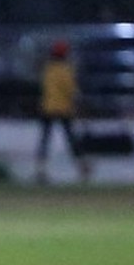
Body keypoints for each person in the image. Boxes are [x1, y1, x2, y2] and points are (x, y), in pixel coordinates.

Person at [36, 39, 90, 184]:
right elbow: (71, 90)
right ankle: (82, 167)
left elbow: (44, 87)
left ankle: (40, 169)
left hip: (48, 107)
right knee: (71, 139)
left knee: (45, 139)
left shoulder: (48, 69)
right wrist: (79, 103)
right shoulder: (66, 69)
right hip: (64, 108)